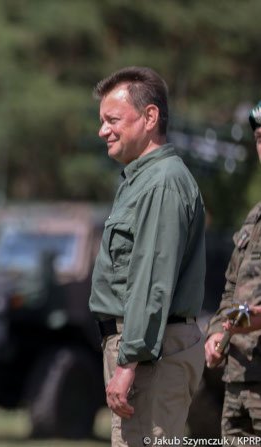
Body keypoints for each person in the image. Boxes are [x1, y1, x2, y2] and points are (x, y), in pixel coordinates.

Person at [88, 66, 206, 446]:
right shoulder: (141, 180)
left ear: (150, 117)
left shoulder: (163, 182)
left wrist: (129, 360)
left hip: (150, 355)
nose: (102, 130)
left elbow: (151, 280)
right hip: (143, 351)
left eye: (112, 120)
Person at [204, 100, 261, 442]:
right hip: (240, 377)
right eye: (259, 138)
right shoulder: (255, 215)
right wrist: (215, 334)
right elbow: (231, 288)